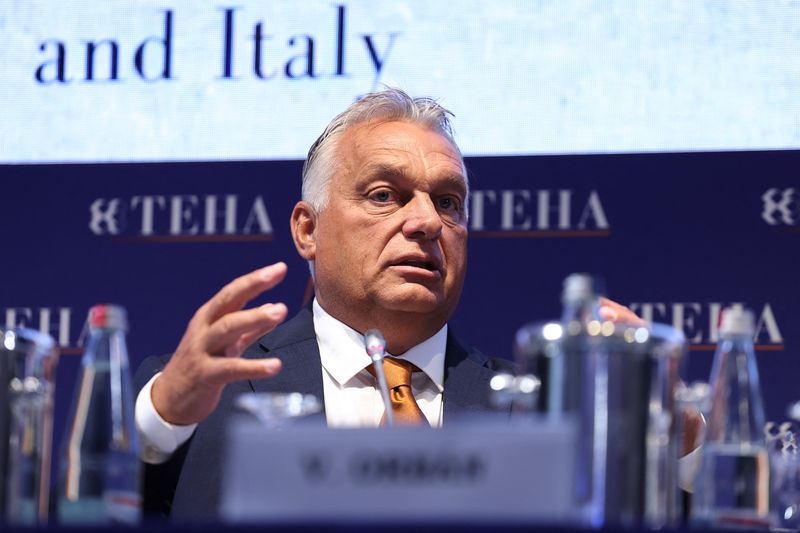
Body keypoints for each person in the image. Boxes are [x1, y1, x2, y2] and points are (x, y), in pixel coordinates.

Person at [133, 88, 645, 519]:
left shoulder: (536, 411)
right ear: (308, 230)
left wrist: (676, 443)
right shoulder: (206, 397)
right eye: (384, 195)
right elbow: (96, 500)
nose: (426, 222)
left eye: (448, 202)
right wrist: (167, 413)